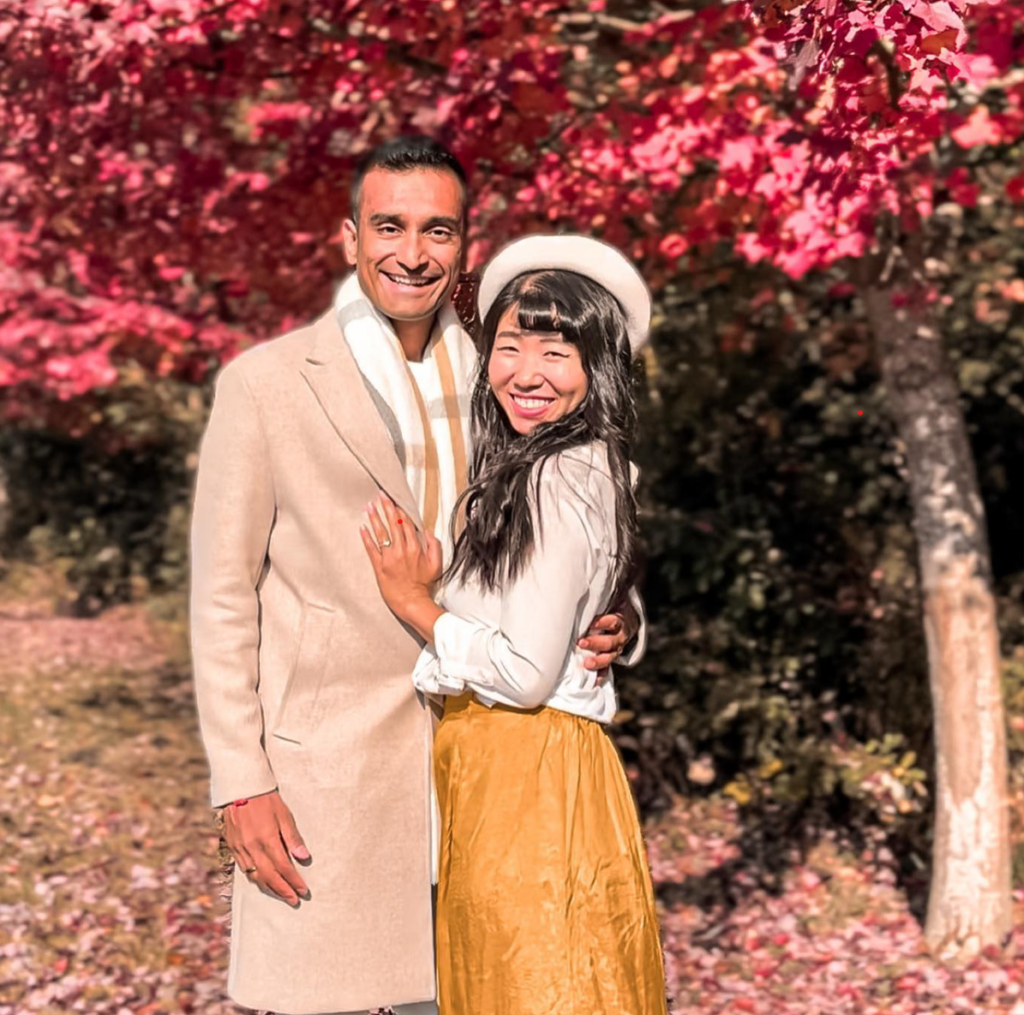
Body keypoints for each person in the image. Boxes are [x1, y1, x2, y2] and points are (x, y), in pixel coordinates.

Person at [189, 138, 642, 1015]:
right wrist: (238, 779)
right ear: (349, 236)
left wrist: (618, 617)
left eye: (438, 230)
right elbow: (221, 596)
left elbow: (583, 524)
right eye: (389, 226)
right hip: (329, 774)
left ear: (464, 246)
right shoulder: (267, 385)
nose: (412, 252)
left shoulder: (509, 368)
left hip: (490, 767)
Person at [360, 235, 669, 1014]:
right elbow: (574, 596)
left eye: (556, 352)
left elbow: (526, 674)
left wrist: (415, 603)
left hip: (522, 769)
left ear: (598, 369)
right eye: (509, 346)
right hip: (535, 768)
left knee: (529, 979)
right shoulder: (574, 462)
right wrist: (621, 618)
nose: (525, 373)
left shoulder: (555, 475)